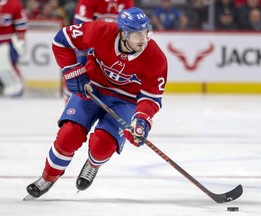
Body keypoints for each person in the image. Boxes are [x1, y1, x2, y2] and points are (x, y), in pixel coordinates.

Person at [25, 7, 167, 199]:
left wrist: (141, 120)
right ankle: (48, 178)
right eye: (136, 34)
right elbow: (61, 40)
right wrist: (72, 70)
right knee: (69, 135)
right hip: (92, 88)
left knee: (102, 145)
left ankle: (93, 164)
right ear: (123, 33)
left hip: (125, 100)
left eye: (145, 32)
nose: (143, 39)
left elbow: (151, 97)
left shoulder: (155, 57)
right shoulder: (101, 31)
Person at [62, 0, 135, 100]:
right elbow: (81, 30)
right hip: (90, 41)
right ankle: (72, 99)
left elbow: (130, 28)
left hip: (115, 42)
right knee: (79, 64)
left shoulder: (127, 1)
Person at [0, 0, 28, 97]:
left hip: (6, 42)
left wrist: (21, 40)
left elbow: (21, 24)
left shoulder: (13, 3)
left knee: (7, 66)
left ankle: (17, 86)